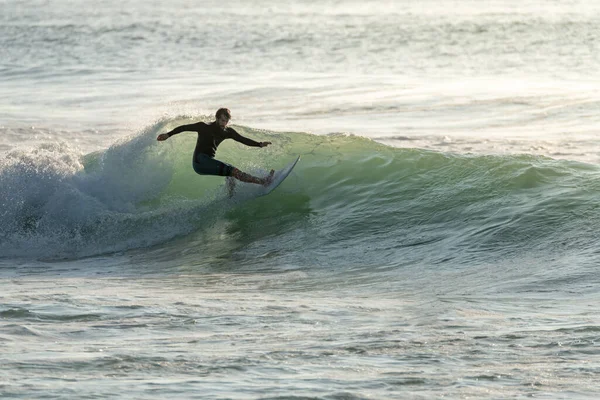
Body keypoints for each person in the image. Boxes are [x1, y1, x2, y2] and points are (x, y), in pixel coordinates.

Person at [157, 108, 273, 195]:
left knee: (230, 174)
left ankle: (231, 196)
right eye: (222, 120)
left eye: (226, 121)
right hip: (199, 161)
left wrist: (259, 144)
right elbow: (184, 128)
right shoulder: (203, 126)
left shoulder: (228, 132)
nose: (224, 123)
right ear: (216, 118)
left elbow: (243, 139)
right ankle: (263, 182)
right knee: (234, 171)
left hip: (208, 161)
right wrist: (168, 134)